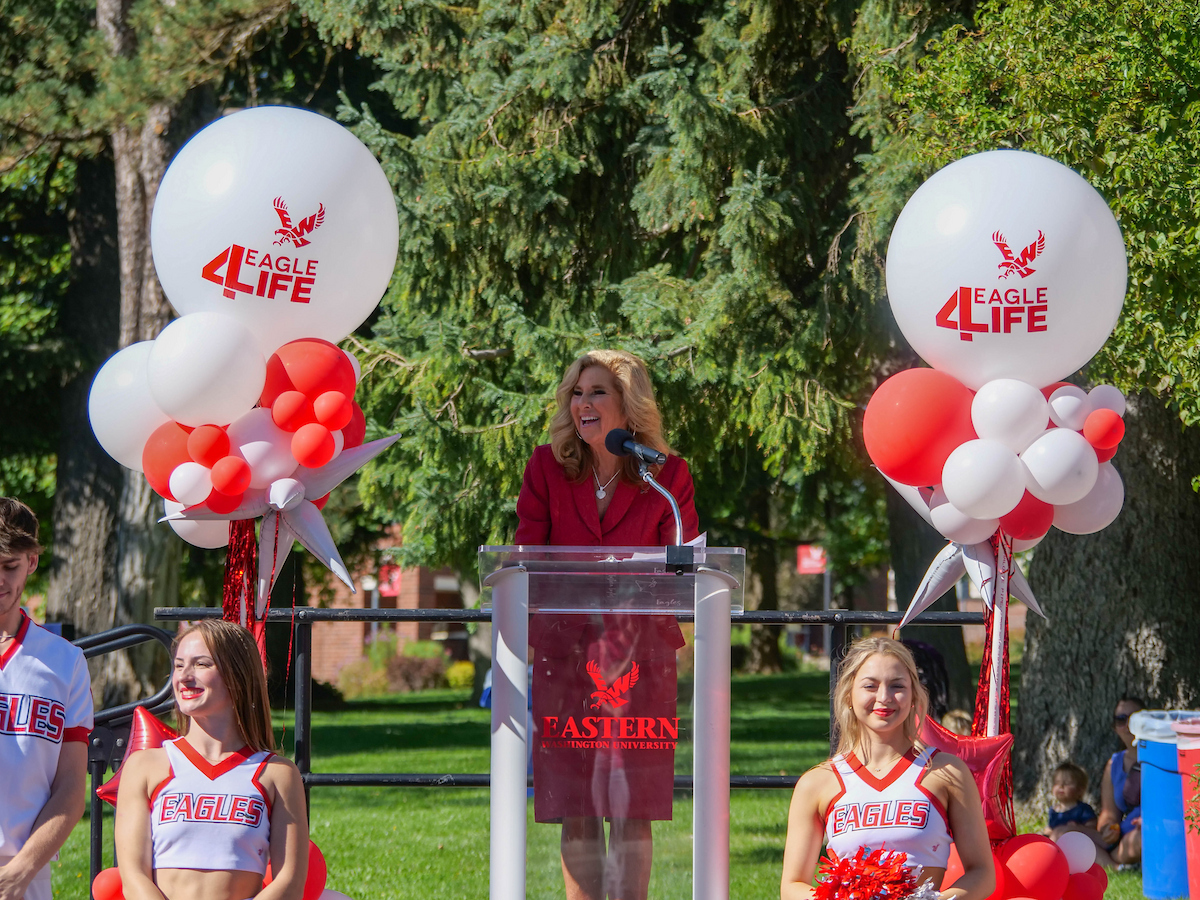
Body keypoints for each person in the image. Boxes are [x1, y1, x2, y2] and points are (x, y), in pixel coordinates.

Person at [515, 349, 698, 900]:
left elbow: (684, 561)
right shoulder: (545, 467)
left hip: (641, 656)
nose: (582, 403)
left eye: (597, 392)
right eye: (576, 392)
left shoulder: (668, 474)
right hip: (564, 655)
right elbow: (528, 557)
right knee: (576, 802)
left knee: (632, 802)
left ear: (628, 404)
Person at [781, 637, 995, 900]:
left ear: (914, 695)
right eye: (870, 686)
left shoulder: (947, 771)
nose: (884, 698)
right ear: (849, 694)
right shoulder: (817, 783)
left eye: (897, 686)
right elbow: (792, 885)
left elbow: (983, 873)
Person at [115, 620, 309, 900]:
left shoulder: (277, 774)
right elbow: (133, 877)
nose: (184, 676)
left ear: (237, 676)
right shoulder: (144, 766)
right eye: (179, 665)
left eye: (201, 664)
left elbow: (289, 882)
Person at [0, 498, 93, 900]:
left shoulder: (64, 661)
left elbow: (71, 786)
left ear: (32, 562)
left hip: (25, 877)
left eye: (9, 566)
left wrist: (22, 870)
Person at [1095, 696, 1143, 869]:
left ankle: (1109, 862)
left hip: (1146, 831)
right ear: (1115, 728)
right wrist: (1108, 829)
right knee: (1065, 834)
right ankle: (1118, 865)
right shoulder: (1114, 764)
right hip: (1122, 834)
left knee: (1145, 838)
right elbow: (1109, 813)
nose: (1128, 725)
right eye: (1121, 720)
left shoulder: (1160, 758)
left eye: (1135, 718)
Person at [1044, 762, 1099, 839]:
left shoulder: (1083, 809)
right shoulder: (1053, 811)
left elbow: (1092, 827)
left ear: (1080, 790)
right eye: (1057, 783)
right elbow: (1050, 827)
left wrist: (1079, 828)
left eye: (1067, 783)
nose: (1061, 786)